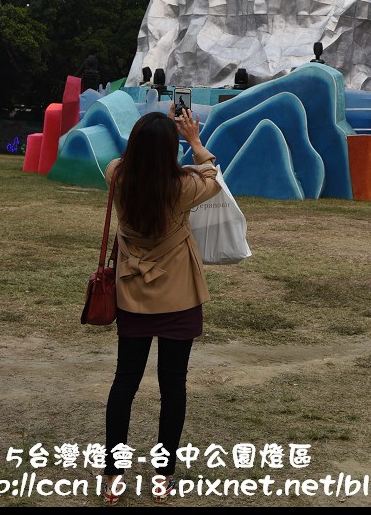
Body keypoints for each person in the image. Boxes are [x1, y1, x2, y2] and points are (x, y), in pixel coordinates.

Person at [101, 105, 221, 505]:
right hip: (179, 297)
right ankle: (163, 476)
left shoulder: (118, 177)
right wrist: (192, 139)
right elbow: (212, 175)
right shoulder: (184, 187)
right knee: (173, 388)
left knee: (125, 383)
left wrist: (155, 129)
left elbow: (121, 158)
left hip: (132, 296)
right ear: (170, 150)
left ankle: (113, 475)